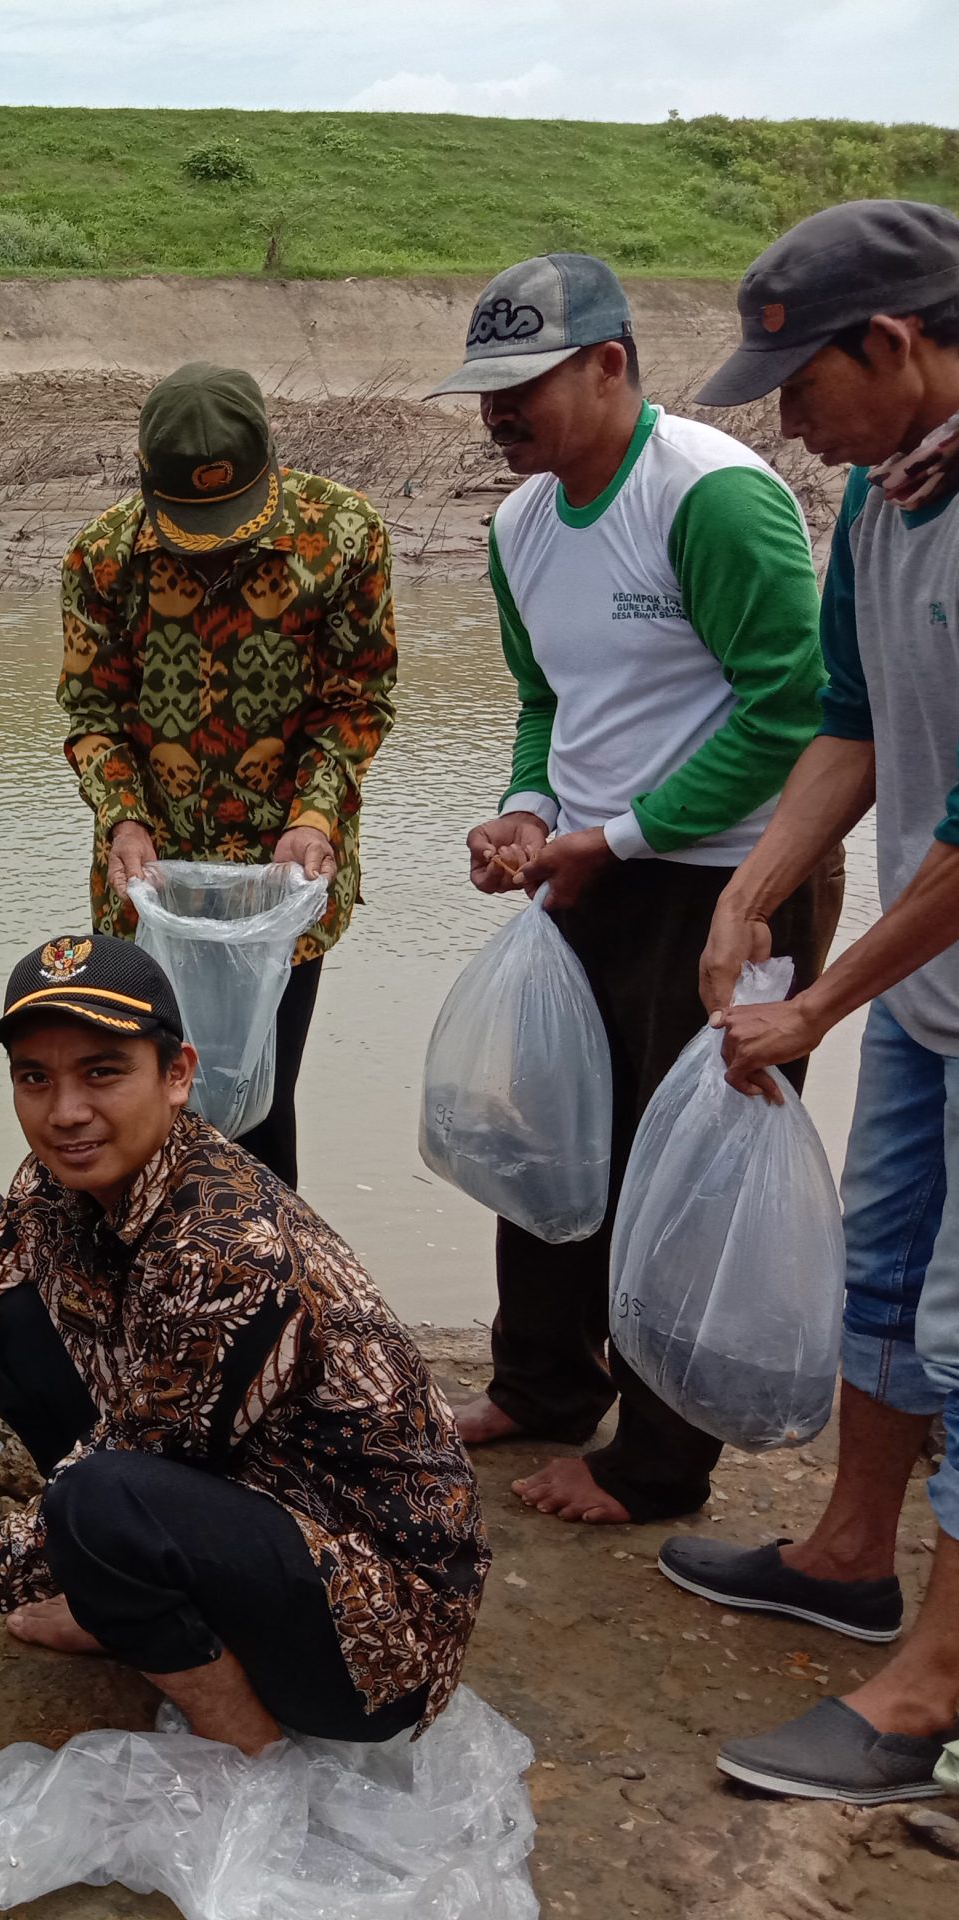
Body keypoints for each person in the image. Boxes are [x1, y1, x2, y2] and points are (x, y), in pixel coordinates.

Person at [0, 935, 487, 1752]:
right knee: (7, 1325)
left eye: (101, 1072)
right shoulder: (58, 1182)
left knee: (103, 1505)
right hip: (249, 1503)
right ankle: (120, 1604)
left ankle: (247, 1762)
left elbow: (122, 1482)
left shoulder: (227, 1252)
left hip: (377, 1630)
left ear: (176, 1073)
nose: (65, 1111)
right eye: (35, 1078)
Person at [431, 252, 829, 1527]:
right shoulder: (517, 525)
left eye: (523, 386)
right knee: (545, 1135)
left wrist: (624, 833)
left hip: (727, 886)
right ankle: (541, 1385)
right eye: (484, 389)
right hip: (585, 874)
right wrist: (529, 812)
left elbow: (792, 708)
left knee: (686, 1170)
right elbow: (550, 702)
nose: (498, 415)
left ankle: (657, 1464)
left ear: (609, 366)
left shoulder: (710, 496)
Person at [655, 200, 959, 1805]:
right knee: (891, 1270)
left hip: (924, 958)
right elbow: (844, 721)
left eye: (799, 383)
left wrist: (823, 998)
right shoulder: (889, 500)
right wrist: (751, 886)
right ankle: (851, 1553)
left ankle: (933, 1695)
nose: (787, 423)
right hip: (933, 991)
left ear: (895, 345)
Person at [60, 361, 396, 1185]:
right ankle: (141, 1294)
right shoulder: (102, 559)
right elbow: (93, 713)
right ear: (145, 479)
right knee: (139, 1100)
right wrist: (123, 818)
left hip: (286, 882)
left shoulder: (344, 537)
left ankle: (264, 1297)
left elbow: (358, 700)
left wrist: (314, 815)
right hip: (150, 886)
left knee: (259, 1107)